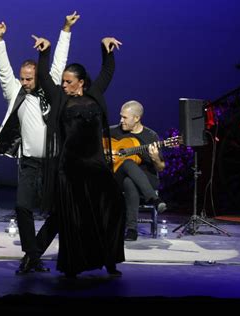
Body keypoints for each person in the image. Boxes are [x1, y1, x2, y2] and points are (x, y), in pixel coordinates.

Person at [0, 12, 79, 274]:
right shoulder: (16, 92)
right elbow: (3, 70)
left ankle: (34, 253)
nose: (25, 82)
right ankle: (32, 255)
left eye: (30, 78)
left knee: (59, 214)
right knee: (21, 206)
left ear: (38, 77)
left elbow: (59, 60)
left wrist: (65, 28)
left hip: (54, 163)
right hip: (29, 163)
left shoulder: (51, 90)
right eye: (23, 78)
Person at [36, 35, 126, 278]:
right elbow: (44, 78)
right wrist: (45, 52)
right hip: (71, 168)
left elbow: (107, 71)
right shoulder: (60, 98)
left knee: (114, 206)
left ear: (81, 82)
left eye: (68, 81)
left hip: (96, 165)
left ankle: (110, 259)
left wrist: (105, 48)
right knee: (75, 220)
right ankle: (73, 265)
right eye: (63, 81)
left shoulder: (95, 93)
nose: (64, 85)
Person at [110, 100, 166, 242]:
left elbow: (161, 167)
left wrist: (155, 159)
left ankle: (131, 230)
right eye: (121, 116)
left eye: (125, 117)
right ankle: (154, 199)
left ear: (136, 118)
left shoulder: (151, 136)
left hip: (147, 179)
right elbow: (95, 144)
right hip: (118, 175)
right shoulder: (114, 131)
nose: (121, 120)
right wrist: (106, 152)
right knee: (128, 163)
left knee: (130, 181)